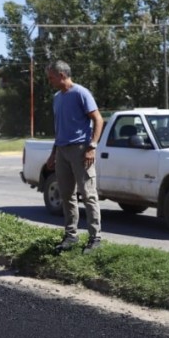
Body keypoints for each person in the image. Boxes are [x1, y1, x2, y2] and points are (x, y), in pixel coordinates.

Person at [45, 60, 104, 254]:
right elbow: (59, 128)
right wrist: (53, 153)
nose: (49, 81)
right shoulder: (57, 97)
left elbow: (98, 119)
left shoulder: (81, 93)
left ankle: (95, 238)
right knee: (66, 195)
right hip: (62, 150)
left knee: (88, 194)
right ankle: (71, 235)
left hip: (80, 150)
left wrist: (91, 147)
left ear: (61, 75)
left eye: (51, 77)